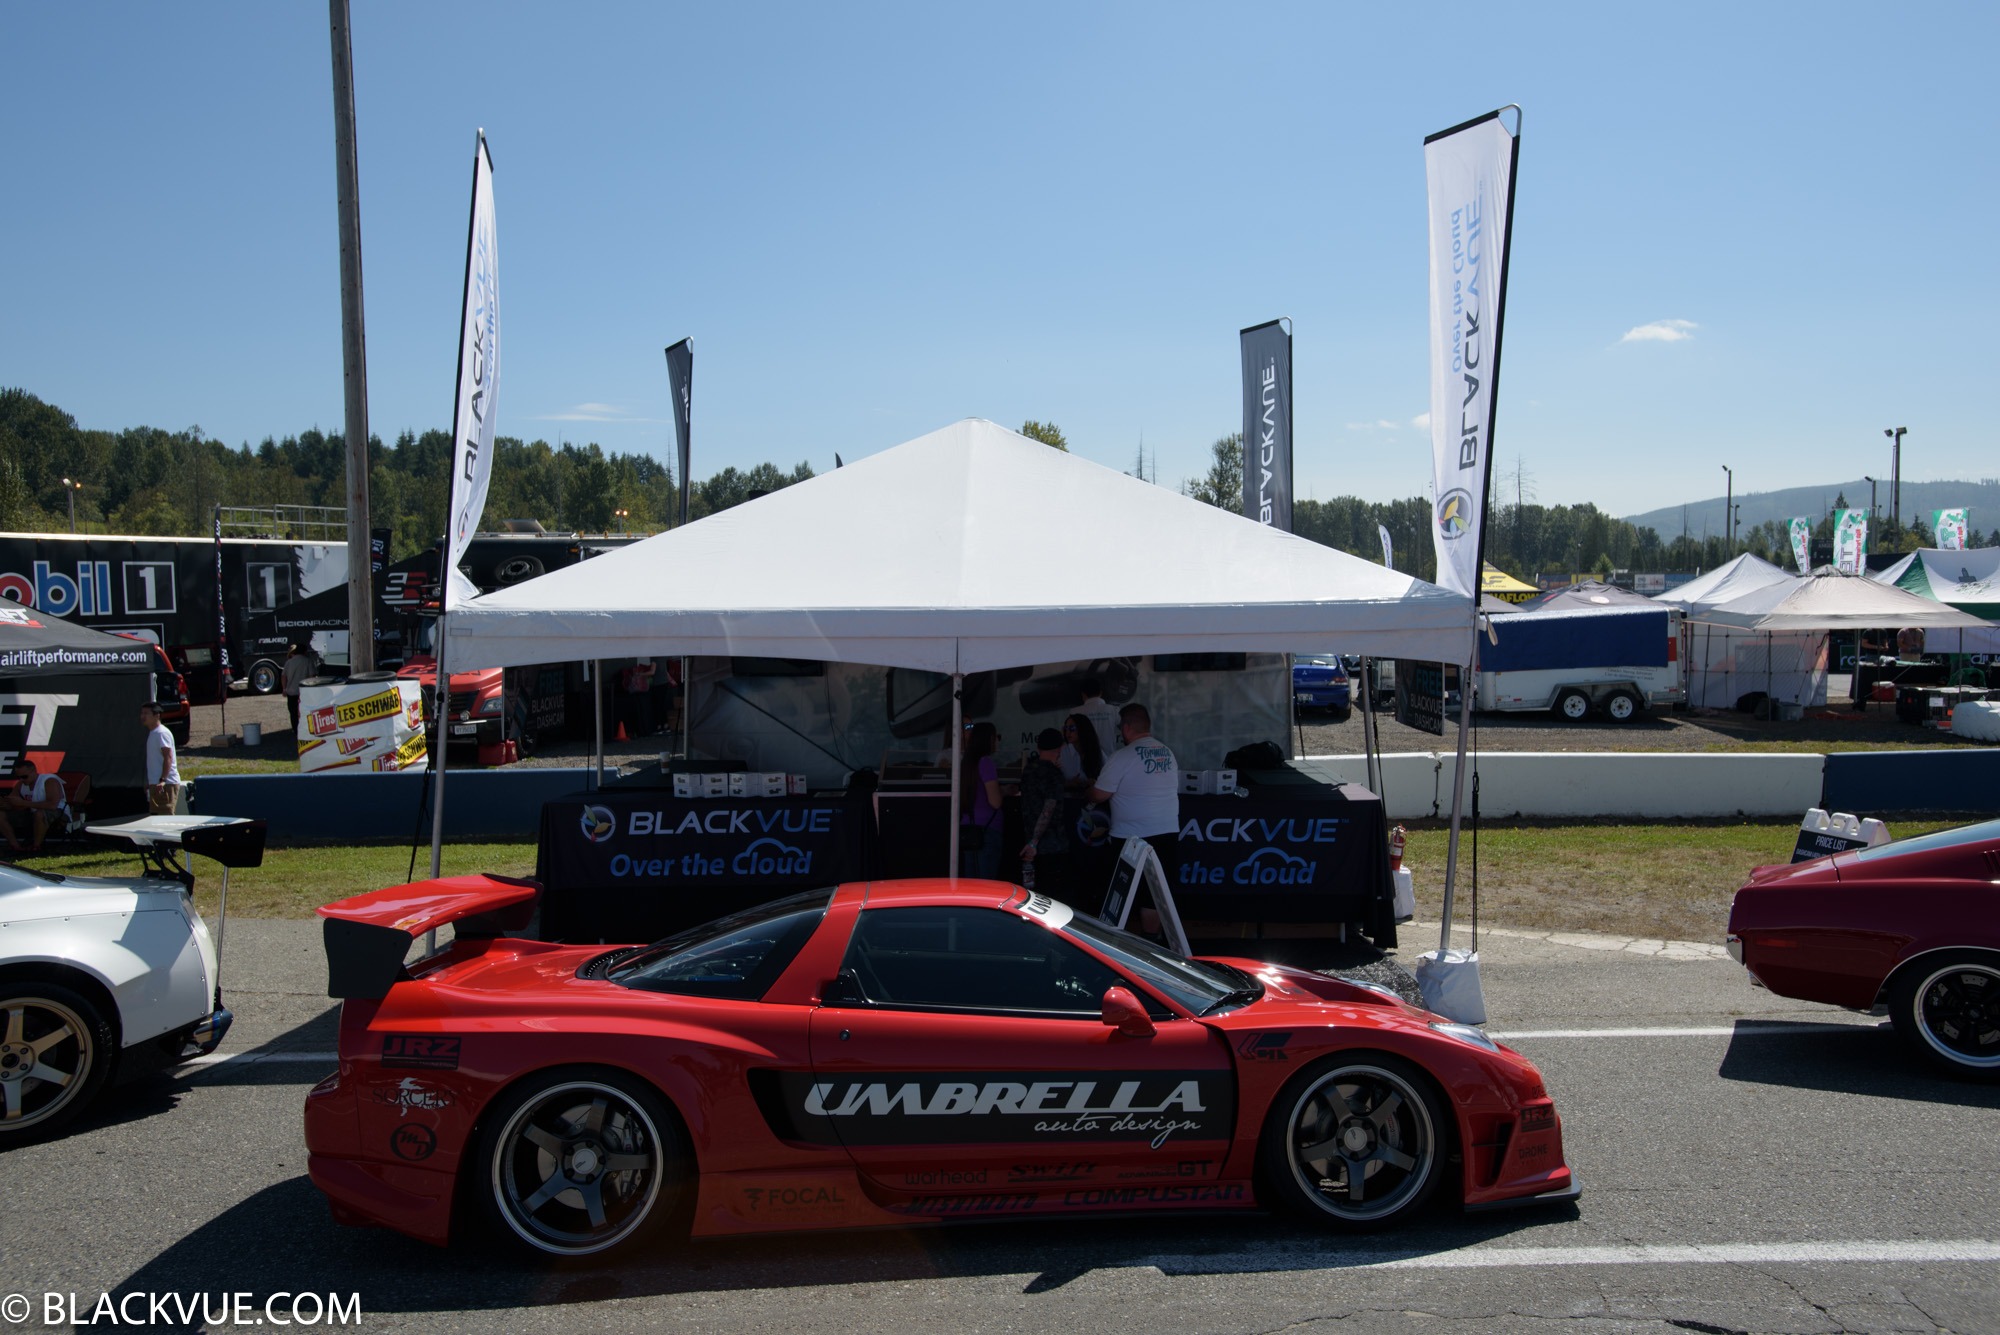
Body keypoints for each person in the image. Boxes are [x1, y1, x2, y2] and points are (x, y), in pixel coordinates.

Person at [1086, 702, 1180, 887]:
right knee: (1158, 893)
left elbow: (1099, 795)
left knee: (1126, 894)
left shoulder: (1122, 756)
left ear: (1126, 728)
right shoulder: (1168, 753)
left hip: (1132, 838)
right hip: (1167, 833)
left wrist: (1088, 790)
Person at [1017, 727, 1071, 894]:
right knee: (1053, 895)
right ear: (1060, 748)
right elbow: (1048, 809)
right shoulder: (1054, 774)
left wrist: (1032, 841)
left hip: (1029, 842)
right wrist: (1035, 842)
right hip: (1052, 845)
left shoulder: (1028, 770)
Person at [957, 721, 1004, 879]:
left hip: (967, 828)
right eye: (996, 737)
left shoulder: (965, 763)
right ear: (989, 739)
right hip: (987, 830)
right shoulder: (986, 762)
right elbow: (995, 802)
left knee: (972, 883)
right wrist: (1002, 791)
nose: (998, 741)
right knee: (987, 883)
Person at [3, 760, 68, 853]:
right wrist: (6, 803)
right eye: (18, 777)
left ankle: (36, 846)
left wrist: (23, 803)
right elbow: (12, 802)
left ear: (33, 771)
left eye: (24, 776)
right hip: (32, 812)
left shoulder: (49, 780)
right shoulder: (20, 784)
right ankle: (15, 846)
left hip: (59, 813)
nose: (21, 779)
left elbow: (53, 805)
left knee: (40, 814)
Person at [142, 700, 182, 815]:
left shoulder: (161, 733)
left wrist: (163, 780)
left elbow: (168, 757)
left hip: (166, 785)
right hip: (156, 784)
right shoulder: (153, 733)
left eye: (146, 713)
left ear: (157, 715)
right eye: (142, 713)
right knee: (156, 818)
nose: (143, 716)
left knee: (165, 819)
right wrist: (151, 782)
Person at [1076, 676, 1122, 757]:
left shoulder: (1075, 712)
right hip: (1110, 758)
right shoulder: (1114, 710)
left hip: (1085, 759)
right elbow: (1124, 727)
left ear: (1083, 694)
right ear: (1101, 693)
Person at [1059, 711, 1104, 791]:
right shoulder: (1061, 753)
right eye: (1066, 728)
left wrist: (1096, 783)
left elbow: (1109, 780)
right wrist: (1069, 783)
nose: (1068, 732)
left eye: (1072, 728)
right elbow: (1051, 782)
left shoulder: (1098, 752)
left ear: (1083, 729)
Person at [282, 642, 313, 735]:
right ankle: (305, 730)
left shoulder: (289, 662)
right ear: (305, 651)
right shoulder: (307, 661)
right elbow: (312, 676)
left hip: (291, 692)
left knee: (293, 713)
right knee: (304, 712)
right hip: (304, 692)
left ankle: (296, 731)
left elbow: (283, 676)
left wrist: (284, 689)